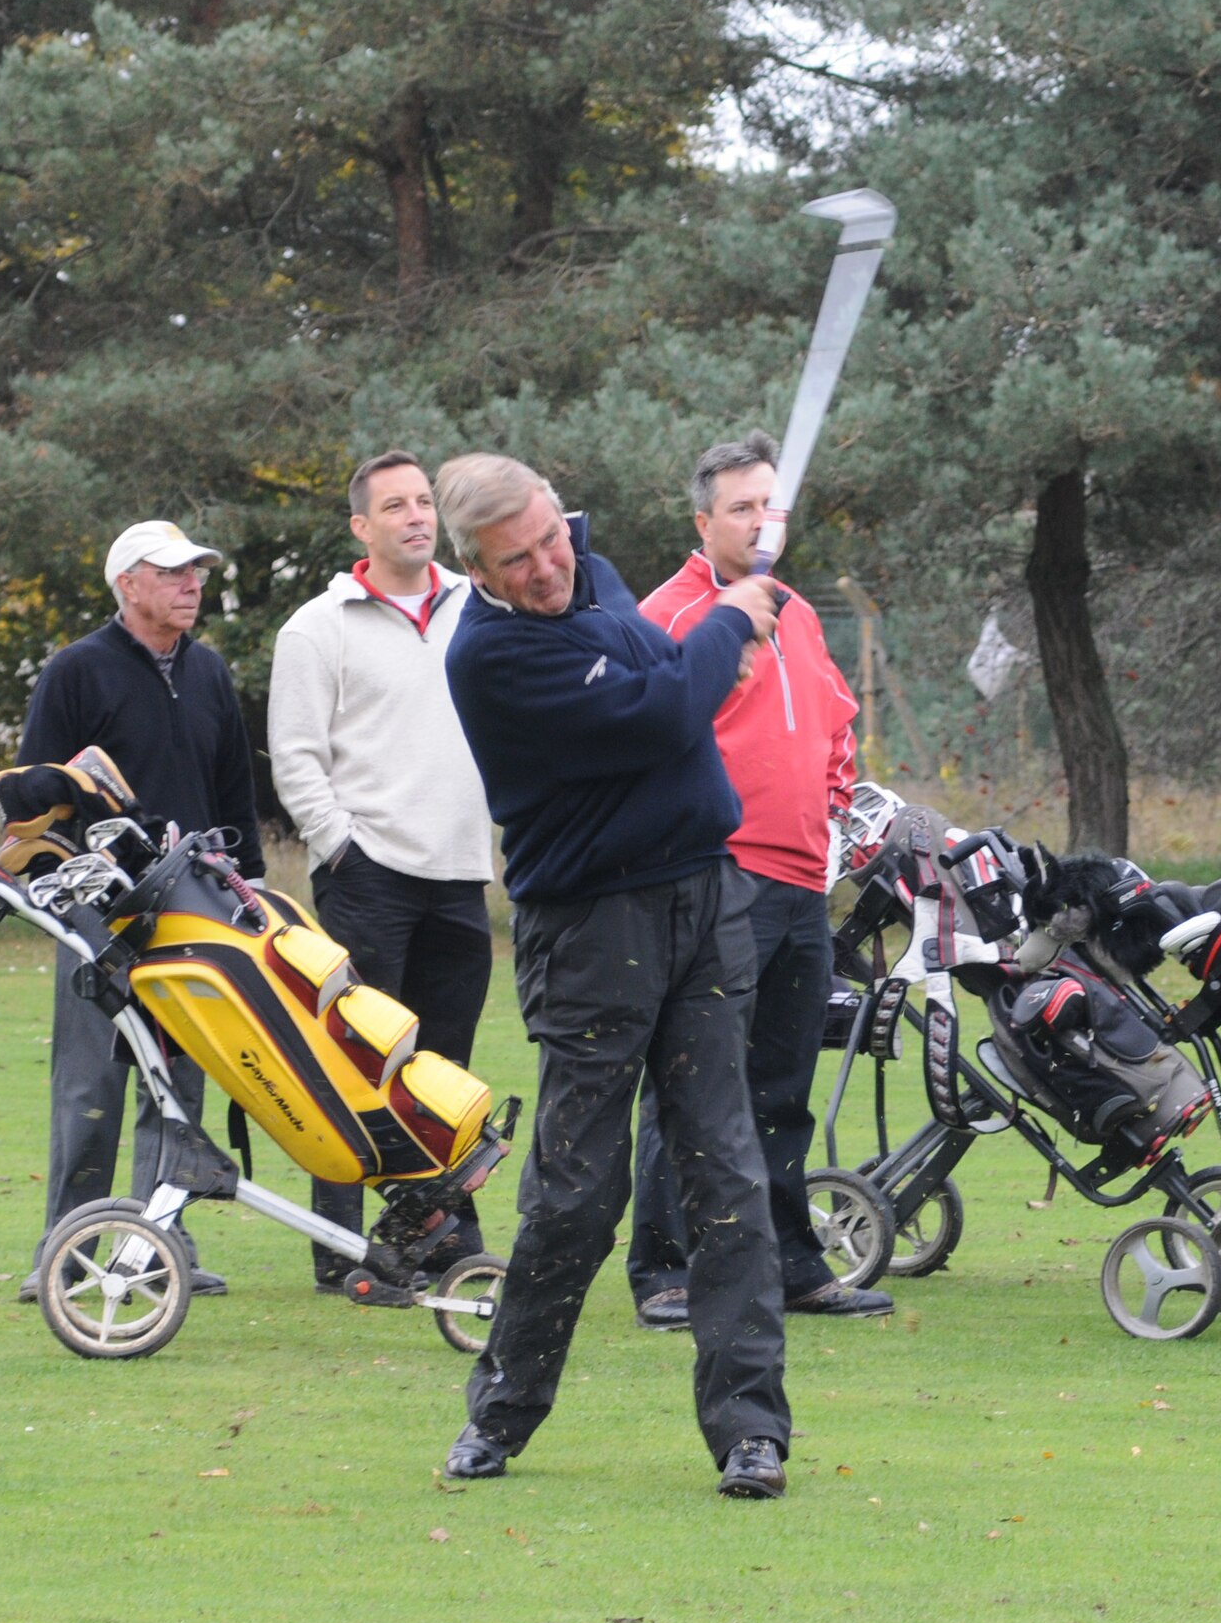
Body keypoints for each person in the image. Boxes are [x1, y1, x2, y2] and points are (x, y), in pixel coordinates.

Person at [434, 451, 792, 1498]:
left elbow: (666, 686)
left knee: (727, 1170)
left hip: (703, 900)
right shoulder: (490, 655)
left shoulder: (589, 572)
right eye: (518, 559)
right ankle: (501, 1412)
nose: (548, 566)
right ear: (480, 571)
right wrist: (726, 622)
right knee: (576, 1189)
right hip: (592, 927)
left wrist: (699, 663)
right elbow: (658, 712)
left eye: (551, 538)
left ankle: (751, 1431)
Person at [626, 431, 891, 1329]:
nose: (757, 521)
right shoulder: (668, 613)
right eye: (740, 507)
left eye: (767, 505)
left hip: (799, 882)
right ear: (704, 521)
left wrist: (829, 815)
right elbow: (645, 737)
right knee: (695, 1070)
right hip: (714, 874)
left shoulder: (801, 614)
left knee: (781, 1079)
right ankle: (663, 1265)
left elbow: (834, 729)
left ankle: (787, 1258)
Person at [16, 520, 264, 1301]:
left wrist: (250, 889)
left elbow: (234, 794)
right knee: (91, 1087)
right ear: (129, 583)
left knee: (178, 1091)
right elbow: (35, 794)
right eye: (172, 573)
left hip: (193, 909)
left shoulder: (211, 672)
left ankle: (157, 1248)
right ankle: (68, 1248)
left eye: (196, 571)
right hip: (97, 910)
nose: (192, 584)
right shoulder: (75, 670)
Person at [267, 449, 495, 1291]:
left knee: (444, 1065)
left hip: (461, 869)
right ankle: (342, 1249)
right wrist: (339, 847)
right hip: (369, 875)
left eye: (425, 500)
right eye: (395, 504)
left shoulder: (479, 608)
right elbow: (295, 758)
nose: (416, 515)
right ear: (362, 526)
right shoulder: (317, 627)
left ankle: (439, 1238)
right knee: (357, 1066)